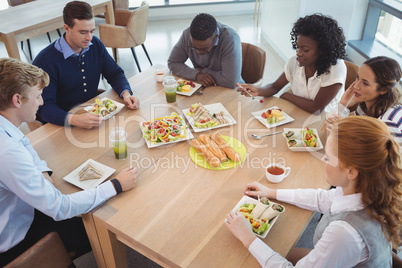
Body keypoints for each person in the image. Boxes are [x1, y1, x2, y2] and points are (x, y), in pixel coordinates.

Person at [0, 58, 138, 266]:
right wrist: (117, 185)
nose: (41, 102)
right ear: (17, 100)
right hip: (14, 240)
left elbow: (26, 145)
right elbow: (60, 208)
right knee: (102, 225)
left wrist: (43, 174)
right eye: (37, 96)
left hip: (23, 210)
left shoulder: (7, 127)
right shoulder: (6, 151)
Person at [225, 116, 401, 267]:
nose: (323, 161)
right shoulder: (365, 189)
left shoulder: (343, 233)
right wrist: (271, 192)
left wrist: (247, 237)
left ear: (351, 172)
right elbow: (321, 198)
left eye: (327, 157)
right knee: (275, 247)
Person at [33, 0, 140, 129]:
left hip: (92, 117)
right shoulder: (45, 61)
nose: (89, 38)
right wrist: (74, 119)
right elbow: (44, 107)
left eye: (92, 31)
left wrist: (126, 94)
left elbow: (114, 73)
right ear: (66, 28)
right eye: (83, 32)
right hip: (61, 125)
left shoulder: (95, 44)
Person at [237, 14, 346, 114]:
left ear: (322, 50)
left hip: (326, 122)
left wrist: (286, 95)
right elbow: (275, 87)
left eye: (305, 50)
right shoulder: (295, 61)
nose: (298, 53)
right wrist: (258, 90)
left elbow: (316, 108)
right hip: (298, 113)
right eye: (298, 47)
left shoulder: (335, 68)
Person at [335, 56, 401, 145]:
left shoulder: (388, 123)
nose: (356, 86)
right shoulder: (368, 104)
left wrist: (342, 127)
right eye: (357, 77)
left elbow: (365, 155)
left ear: (384, 89)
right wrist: (343, 104)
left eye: (365, 83)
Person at [168, 13, 244, 89]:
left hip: (233, 90)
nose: (198, 52)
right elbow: (173, 62)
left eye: (204, 49)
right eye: (194, 47)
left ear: (216, 38)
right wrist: (196, 74)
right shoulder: (187, 34)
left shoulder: (230, 39)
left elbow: (230, 82)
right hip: (205, 87)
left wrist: (203, 71)